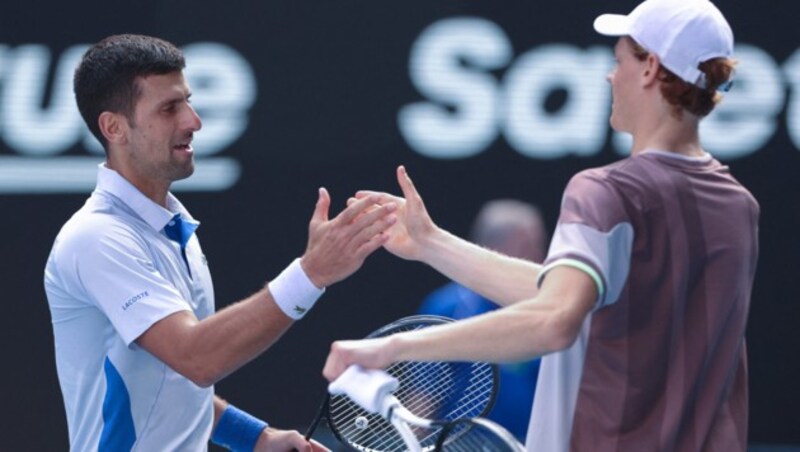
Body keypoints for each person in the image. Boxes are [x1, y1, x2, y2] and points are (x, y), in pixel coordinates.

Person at [323, 1, 759, 451]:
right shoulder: (738, 206)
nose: (611, 77)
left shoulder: (606, 192)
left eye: (618, 61)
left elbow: (554, 319)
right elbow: (571, 296)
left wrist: (393, 349)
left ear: (649, 68)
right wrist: (431, 243)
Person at [43, 34, 396, 451]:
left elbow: (166, 383)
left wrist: (257, 438)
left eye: (187, 102)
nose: (193, 121)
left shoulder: (172, 229)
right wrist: (311, 273)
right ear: (114, 127)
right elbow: (196, 359)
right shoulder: (98, 238)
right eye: (169, 108)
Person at [417, 199, 547, 441]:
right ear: (492, 250)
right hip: (464, 446)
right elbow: (423, 397)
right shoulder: (446, 308)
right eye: (528, 246)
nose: (539, 256)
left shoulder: (549, 308)